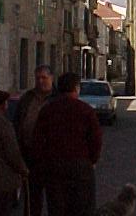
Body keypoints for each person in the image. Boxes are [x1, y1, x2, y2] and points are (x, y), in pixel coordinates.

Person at [32, 71, 102, 216]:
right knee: (82, 208)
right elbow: (96, 139)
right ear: (76, 88)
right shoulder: (85, 110)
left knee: (57, 208)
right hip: (80, 166)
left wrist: (44, 162)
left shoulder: (47, 110)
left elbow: (37, 140)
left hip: (54, 167)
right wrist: (92, 160)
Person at [13, 64, 58, 216]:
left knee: (55, 198)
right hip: (30, 155)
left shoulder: (57, 99)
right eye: (38, 78)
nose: (40, 81)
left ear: (51, 78)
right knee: (32, 198)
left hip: (52, 157)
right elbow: (18, 122)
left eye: (44, 78)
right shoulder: (27, 98)